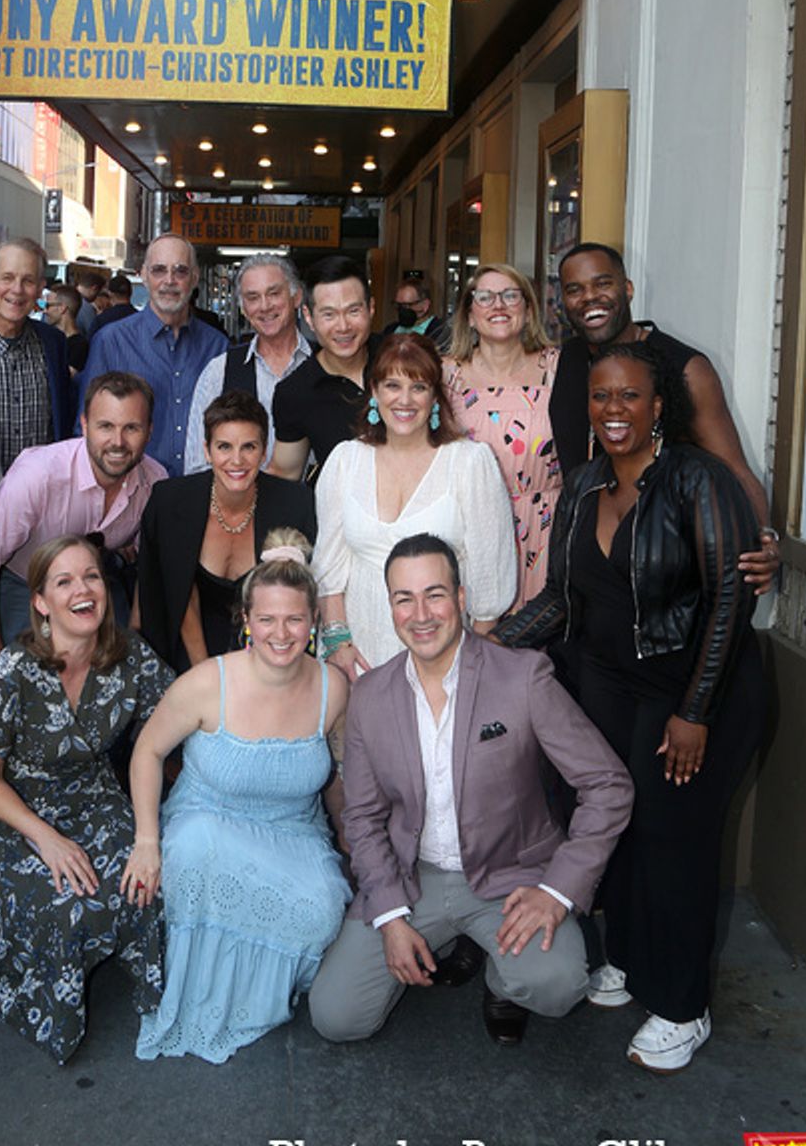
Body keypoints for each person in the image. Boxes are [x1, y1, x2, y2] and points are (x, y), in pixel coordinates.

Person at [496, 342, 767, 1071]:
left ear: (659, 406)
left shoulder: (697, 478)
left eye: (629, 396)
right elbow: (560, 598)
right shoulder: (584, 485)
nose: (613, 409)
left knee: (674, 842)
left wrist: (696, 710)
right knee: (618, 822)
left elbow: (729, 600)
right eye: (601, 396)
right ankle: (628, 958)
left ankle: (681, 1006)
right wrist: (483, 647)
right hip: (610, 685)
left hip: (696, 691)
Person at [308, 533, 633, 1047]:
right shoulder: (370, 695)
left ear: (461, 599)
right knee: (336, 1017)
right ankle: (437, 939)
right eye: (404, 599)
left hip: (511, 876)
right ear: (390, 607)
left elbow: (607, 785)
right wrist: (390, 917)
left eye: (435, 595)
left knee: (556, 983)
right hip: (413, 877)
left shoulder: (523, 677)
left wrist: (558, 890)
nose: (421, 615)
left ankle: (502, 981)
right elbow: (363, 818)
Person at [126, 532, 350, 1063]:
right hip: (208, 819)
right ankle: (203, 985)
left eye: (294, 619)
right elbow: (148, 751)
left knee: (324, 909)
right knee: (194, 849)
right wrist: (146, 840)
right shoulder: (207, 683)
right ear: (247, 619)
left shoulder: (333, 688)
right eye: (267, 619)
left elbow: (342, 774)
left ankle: (258, 995)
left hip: (293, 831)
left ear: (314, 621)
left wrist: (351, 846)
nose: (281, 633)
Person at [0, 535, 174, 1059]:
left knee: (151, 879)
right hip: (13, 811)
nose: (83, 590)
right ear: (41, 602)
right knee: (62, 909)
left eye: (92, 576)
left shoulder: (129, 655)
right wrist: (47, 840)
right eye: (64, 582)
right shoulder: (13, 670)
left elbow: (185, 710)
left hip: (92, 796)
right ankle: (45, 1012)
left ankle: (153, 991)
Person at [548, 242, 778, 592]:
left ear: (627, 289)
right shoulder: (569, 359)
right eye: (575, 289)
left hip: (663, 574)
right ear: (563, 301)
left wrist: (764, 538)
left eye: (603, 283)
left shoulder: (685, 369)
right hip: (587, 562)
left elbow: (733, 467)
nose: (590, 297)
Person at [314, 334, 518, 675]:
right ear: (374, 392)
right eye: (392, 386)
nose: (405, 400)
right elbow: (329, 570)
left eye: (419, 387)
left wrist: (470, 667)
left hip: (444, 660)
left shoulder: (469, 463)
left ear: (435, 396)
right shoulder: (345, 461)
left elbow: (489, 585)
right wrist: (339, 647)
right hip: (357, 661)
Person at [0, 371, 166, 667]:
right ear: (85, 425)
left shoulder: (155, 482)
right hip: (25, 584)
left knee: (116, 671)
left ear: (149, 431)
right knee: (23, 673)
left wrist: (134, 632)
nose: (117, 442)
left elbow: (149, 564)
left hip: (98, 583)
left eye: (131, 428)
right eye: (106, 426)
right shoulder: (37, 475)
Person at [137, 390, 316, 670]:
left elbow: (298, 599)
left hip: (269, 647)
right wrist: (208, 675)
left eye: (249, 447)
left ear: (264, 451)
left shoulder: (295, 504)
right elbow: (177, 595)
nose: (237, 460)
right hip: (189, 646)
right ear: (207, 450)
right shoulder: (171, 501)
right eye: (224, 447)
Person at [443, 263, 561, 609]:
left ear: (528, 311)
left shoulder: (557, 368)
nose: (498, 305)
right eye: (485, 297)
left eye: (511, 296)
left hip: (546, 530)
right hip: (471, 532)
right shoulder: (445, 374)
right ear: (469, 314)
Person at [80, 234, 227, 478]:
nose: (169, 280)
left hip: (200, 488)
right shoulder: (111, 341)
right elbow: (85, 430)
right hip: (132, 489)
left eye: (180, 271)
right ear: (143, 276)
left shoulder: (217, 346)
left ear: (194, 278)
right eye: (159, 270)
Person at [184, 254, 313, 474]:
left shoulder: (325, 365)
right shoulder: (219, 372)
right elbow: (197, 467)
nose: (264, 306)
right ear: (243, 308)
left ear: (297, 297)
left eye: (274, 293)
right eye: (252, 297)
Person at [269, 255, 375, 481]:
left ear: (371, 308)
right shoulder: (295, 393)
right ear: (309, 317)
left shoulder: (403, 359)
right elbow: (284, 475)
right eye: (329, 314)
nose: (343, 326)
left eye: (353, 311)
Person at [0, 237, 73, 473]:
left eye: (28, 281)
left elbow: (63, 421)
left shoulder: (54, 344)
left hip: (42, 489)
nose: (17, 290)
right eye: (7, 278)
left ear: (40, 288)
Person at [388, 271, 450, 352]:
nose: (402, 310)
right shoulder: (390, 330)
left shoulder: (440, 332)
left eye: (407, 305)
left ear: (425, 305)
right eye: (398, 305)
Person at [43, 283, 89, 377]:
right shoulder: (49, 339)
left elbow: (63, 378)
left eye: (48, 305)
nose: (45, 311)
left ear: (62, 308)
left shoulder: (79, 346)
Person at [73, 265, 109, 334]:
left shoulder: (68, 296)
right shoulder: (86, 307)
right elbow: (94, 332)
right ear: (94, 288)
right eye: (98, 293)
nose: (96, 297)